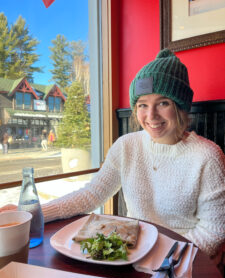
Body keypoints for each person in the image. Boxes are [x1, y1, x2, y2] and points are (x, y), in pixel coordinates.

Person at [1, 49, 224, 259]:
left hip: (184, 261)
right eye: (142, 105)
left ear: (181, 107)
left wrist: (161, 256)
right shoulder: (126, 145)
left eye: (163, 103)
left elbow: (213, 232)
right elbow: (92, 195)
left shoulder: (208, 156)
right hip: (133, 255)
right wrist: (33, 212)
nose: (151, 115)